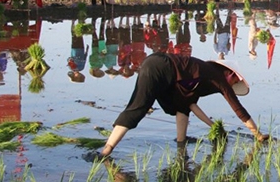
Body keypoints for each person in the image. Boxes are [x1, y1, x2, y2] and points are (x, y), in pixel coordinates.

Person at [98, 53, 269, 157]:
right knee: (138, 107)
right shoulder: (219, 79)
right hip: (160, 67)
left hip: (159, 64)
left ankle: (181, 142)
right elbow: (239, 110)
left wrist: (214, 127)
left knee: (181, 105)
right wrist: (257, 134)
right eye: (234, 81)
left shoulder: (202, 74)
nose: (232, 86)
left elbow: (191, 104)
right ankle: (107, 149)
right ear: (230, 74)